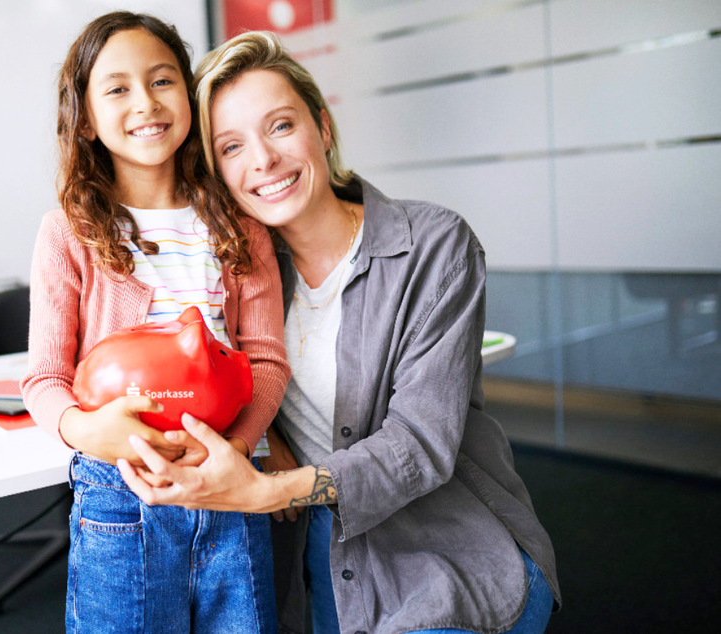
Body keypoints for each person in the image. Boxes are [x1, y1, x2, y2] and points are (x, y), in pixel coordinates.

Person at [118, 31, 562, 634]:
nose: (263, 161)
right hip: (325, 548)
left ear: (322, 129)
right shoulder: (238, 271)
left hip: (448, 544)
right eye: (231, 147)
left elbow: (419, 446)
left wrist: (268, 491)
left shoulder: (434, 245)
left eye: (280, 126)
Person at [20, 14, 289, 633]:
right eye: (117, 88)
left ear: (188, 96)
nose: (146, 102)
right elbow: (43, 377)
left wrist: (238, 447)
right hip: (120, 490)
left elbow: (266, 359)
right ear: (85, 117)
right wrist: (90, 432)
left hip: (229, 481)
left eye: (163, 80)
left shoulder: (239, 223)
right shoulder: (69, 231)